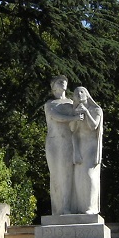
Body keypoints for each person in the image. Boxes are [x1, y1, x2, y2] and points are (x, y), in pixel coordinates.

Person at [43, 76, 79, 216]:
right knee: (56, 175)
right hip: (53, 142)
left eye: (64, 81)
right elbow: (56, 117)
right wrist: (74, 118)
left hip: (67, 141)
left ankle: (66, 207)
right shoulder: (50, 104)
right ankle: (57, 209)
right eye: (59, 81)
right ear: (53, 86)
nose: (63, 82)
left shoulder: (71, 103)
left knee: (67, 175)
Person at [71, 86, 103, 214]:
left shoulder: (96, 109)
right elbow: (72, 130)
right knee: (79, 178)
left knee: (90, 176)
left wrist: (86, 112)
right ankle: (81, 207)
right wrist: (75, 117)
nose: (79, 94)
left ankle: (91, 207)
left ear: (87, 94)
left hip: (91, 146)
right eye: (76, 93)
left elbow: (94, 125)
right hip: (80, 145)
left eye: (81, 92)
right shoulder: (76, 111)